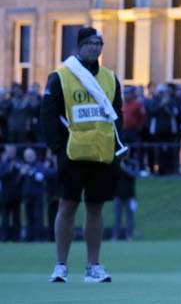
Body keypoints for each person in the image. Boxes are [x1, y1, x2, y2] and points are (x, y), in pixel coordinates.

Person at [40, 27, 123, 283]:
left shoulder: (110, 78)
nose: (96, 48)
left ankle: (93, 266)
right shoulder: (61, 77)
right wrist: (58, 148)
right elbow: (48, 115)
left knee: (95, 208)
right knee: (67, 206)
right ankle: (61, 265)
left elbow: (117, 116)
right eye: (91, 43)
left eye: (99, 43)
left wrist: (115, 148)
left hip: (101, 153)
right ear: (80, 46)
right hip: (73, 153)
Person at [112, 154, 139, 241]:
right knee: (117, 217)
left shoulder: (133, 163)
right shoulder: (117, 164)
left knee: (129, 217)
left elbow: (134, 174)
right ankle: (116, 236)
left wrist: (124, 168)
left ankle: (129, 236)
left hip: (130, 196)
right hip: (118, 196)